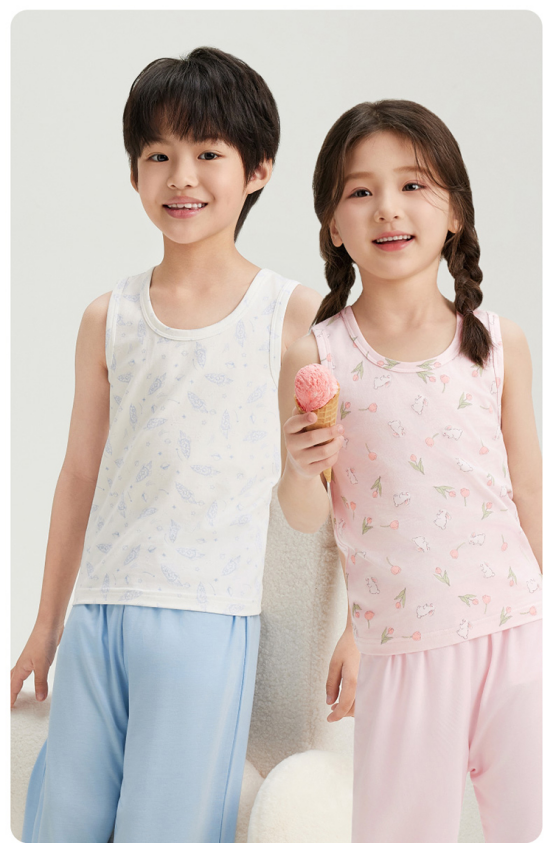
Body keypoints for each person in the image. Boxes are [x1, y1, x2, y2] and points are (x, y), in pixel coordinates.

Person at [12, 46, 323, 843]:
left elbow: (342, 481)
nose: (182, 177)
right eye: (159, 155)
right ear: (134, 174)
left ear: (257, 169)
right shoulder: (107, 317)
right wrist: (48, 623)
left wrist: (359, 629)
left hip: (206, 614)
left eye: (208, 153)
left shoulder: (291, 314)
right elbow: (79, 472)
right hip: (99, 610)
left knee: (166, 826)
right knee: (63, 820)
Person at [277, 100, 542, 843]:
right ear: (332, 224)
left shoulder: (498, 342)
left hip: (516, 635)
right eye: (360, 191)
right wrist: (298, 469)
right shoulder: (317, 356)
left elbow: (526, 488)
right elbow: (309, 515)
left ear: (454, 210)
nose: (387, 207)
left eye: (413, 185)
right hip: (400, 653)